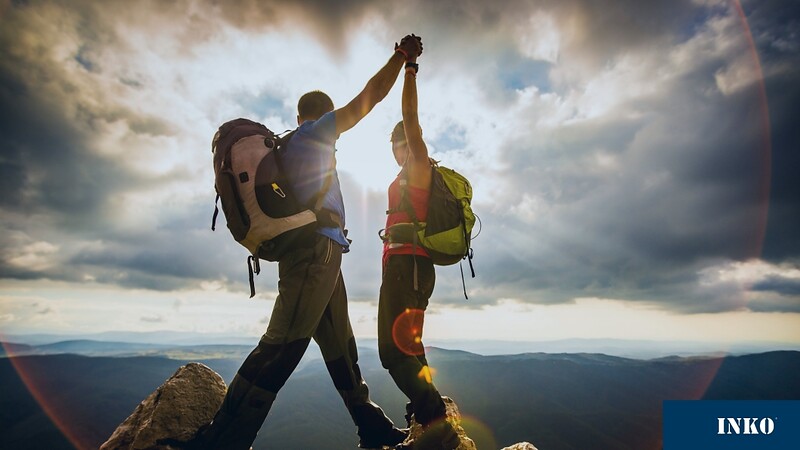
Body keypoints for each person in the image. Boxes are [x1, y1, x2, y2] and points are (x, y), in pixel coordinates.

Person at [186, 34, 424, 450]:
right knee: (281, 347)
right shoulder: (316, 135)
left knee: (341, 349)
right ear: (318, 117)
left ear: (297, 116)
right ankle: (223, 440)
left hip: (323, 256)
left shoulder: (290, 144)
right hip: (316, 254)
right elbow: (369, 98)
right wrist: (401, 58)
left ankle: (372, 428)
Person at [378, 40, 461, 450]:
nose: (397, 150)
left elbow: (410, 116)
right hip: (414, 270)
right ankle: (424, 420)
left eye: (399, 143)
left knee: (391, 355)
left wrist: (409, 67)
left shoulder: (418, 163)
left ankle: (435, 421)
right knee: (411, 348)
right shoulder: (412, 176)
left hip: (406, 268)